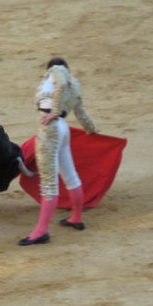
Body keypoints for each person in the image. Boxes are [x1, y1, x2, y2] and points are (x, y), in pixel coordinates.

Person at [18, 57, 100, 246]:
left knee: (48, 184)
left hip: (50, 129)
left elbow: (61, 82)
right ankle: (76, 217)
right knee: (71, 176)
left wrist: (54, 111)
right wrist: (91, 129)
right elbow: (81, 112)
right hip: (63, 128)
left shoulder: (57, 71)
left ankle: (41, 232)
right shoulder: (75, 86)